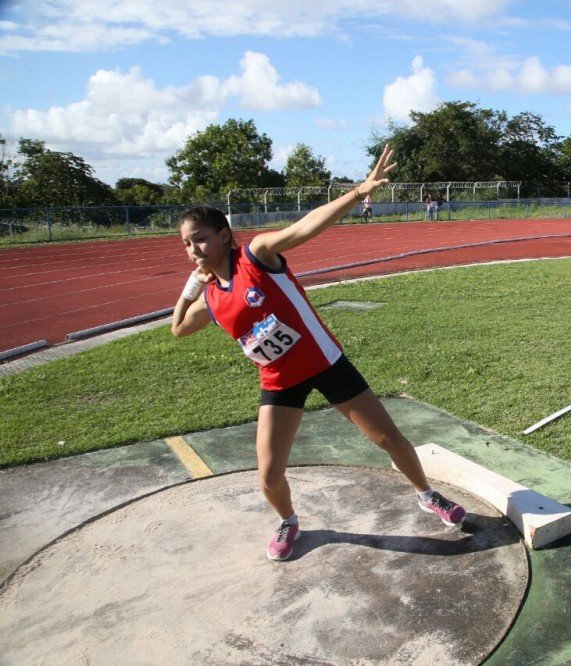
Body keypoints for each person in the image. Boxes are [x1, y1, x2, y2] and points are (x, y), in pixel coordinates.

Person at [171, 145, 465, 562]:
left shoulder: (257, 256)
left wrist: (360, 191)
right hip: (278, 382)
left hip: (326, 364)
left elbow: (307, 227)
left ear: (224, 235)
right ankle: (289, 521)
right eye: (186, 244)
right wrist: (189, 290)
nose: (193, 249)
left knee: (389, 439)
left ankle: (427, 494)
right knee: (269, 474)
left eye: (199, 239)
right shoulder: (212, 300)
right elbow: (178, 328)